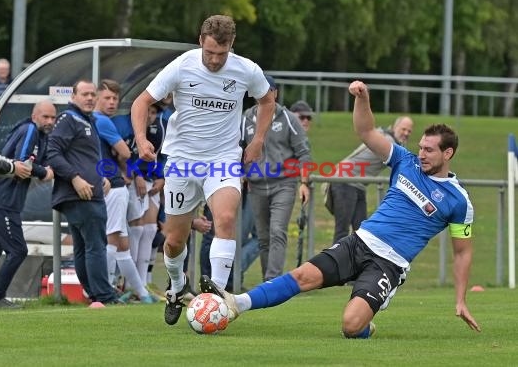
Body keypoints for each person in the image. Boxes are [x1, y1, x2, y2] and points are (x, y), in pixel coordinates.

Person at [200, 80, 481, 338]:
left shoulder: (458, 201)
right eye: (420, 147)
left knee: (351, 327)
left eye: (429, 150)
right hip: (359, 242)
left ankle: (365, 320)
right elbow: (366, 131)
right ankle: (236, 303)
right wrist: (363, 98)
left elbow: (462, 253)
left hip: (389, 264)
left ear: (448, 153)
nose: (421, 154)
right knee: (302, 276)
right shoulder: (405, 161)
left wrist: (460, 300)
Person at [131, 14, 276, 325]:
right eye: (209, 52)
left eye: (221, 54)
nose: (214, 59)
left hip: (223, 158)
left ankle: (217, 297)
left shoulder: (246, 69)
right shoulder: (183, 65)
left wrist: (258, 140)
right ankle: (177, 287)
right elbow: (141, 102)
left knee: (224, 218)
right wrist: (142, 140)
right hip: (182, 159)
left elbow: (267, 100)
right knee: (174, 240)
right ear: (200, 42)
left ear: (231, 46)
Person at [0, 100, 56, 309]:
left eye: (53, 117)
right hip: (4, 201)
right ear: (35, 116)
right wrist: (45, 172)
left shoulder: (39, 134)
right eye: (46, 117)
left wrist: (44, 168)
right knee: (18, 250)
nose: (50, 121)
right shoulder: (30, 130)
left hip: (7, 200)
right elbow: (22, 163)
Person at [46, 80, 120, 305]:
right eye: (84, 94)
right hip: (81, 194)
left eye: (92, 94)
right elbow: (53, 152)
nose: (89, 98)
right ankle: (105, 296)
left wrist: (101, 177)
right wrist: (75, 179)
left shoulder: (87, 120)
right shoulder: (70, 119)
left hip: (88, 191)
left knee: (83, 247)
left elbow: (83, 157)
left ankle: (94, 294)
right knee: (96, 245)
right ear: (73, 97)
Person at [242, 74, 311, 281]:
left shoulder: (288, 118)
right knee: (262, 238)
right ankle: (267, 283)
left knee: (277, 231)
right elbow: (237, 149)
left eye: (269, 90)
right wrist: (240, 173)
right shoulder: (246, 118)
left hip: (284, 184)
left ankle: (273, 281)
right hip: (256, 186)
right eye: (260, 89)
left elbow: (304, 152)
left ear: (276, 93)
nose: (265, 93)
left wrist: (305, 183)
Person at [94, 79, 156, 303]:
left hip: (113, 184)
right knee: (114, 239)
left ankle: (141, 292)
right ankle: (108, 290)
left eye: (115, 99)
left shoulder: (96, 121)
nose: (111, 103)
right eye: (107, 98)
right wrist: (134, 172)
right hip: (113, 186)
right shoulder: (102, 121)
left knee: (122, 242)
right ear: (97, 98)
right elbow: (126, 153)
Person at [325, 116, 414, 242]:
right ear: (395, 127)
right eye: (403, 129)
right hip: (344, 180)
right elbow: (403, 166)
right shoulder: (388, 142)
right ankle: (336, 261)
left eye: (409, 131)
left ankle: (355, 261)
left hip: (358, 185)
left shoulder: (387, 137)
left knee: (361, 232)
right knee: (342, 231)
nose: (406, 133)